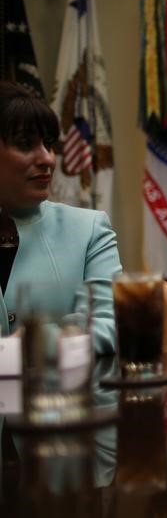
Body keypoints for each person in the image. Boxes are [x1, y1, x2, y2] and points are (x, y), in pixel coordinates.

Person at [0, 81, 121, 353]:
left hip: (60, 392)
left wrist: (39, 339)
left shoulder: (89, 229)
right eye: (24, 144)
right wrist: (69, 327)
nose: (48, 159)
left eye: (49, 144)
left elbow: (110, 326)